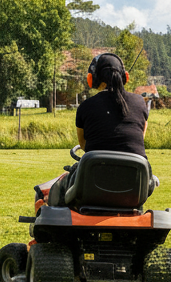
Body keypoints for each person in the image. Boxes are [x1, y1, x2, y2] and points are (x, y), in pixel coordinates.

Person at [47, 52, 149, 206]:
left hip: (93, 182)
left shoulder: (86, 107)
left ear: (93, 79)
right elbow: (140, 137)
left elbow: (83, 145)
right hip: (135, 185)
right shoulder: (140, 103)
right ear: (125, 77)